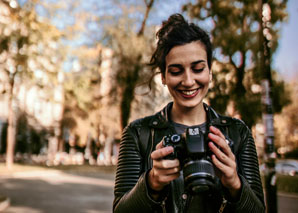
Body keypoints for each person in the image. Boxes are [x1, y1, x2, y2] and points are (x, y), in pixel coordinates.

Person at [113, 13, 265, 213]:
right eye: (176, 71)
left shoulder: (238, 132)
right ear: (164, 77)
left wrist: (234, 184)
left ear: (210, 71)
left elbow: (258, 210)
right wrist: (151, 183)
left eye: (198, 68)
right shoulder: (138, 133)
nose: (188, 81)